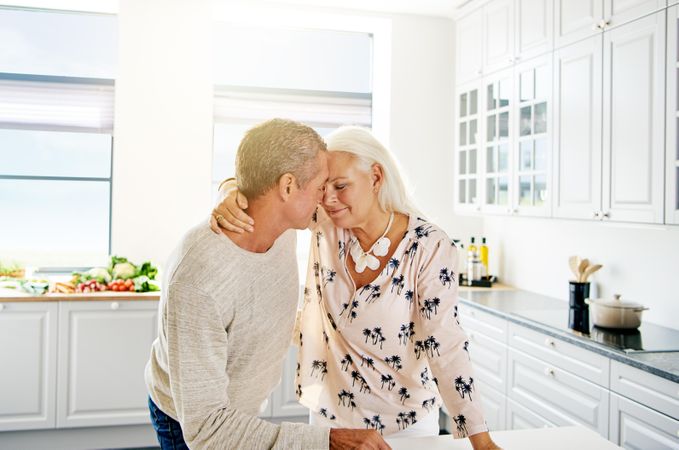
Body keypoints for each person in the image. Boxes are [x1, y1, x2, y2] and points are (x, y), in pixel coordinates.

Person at [212, 126, 500, 450]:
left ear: (376, 177)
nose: (329, 198)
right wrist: (229, 193)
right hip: (330, 424)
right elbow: (269, 187)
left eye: (341, 185)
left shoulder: (429, 247)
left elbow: (445, 344)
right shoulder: (326, 223)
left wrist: (481, 441)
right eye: (323, 187)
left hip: (405, 427)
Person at [145, 119, 390, 450]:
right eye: (321, 186)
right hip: (191, 423)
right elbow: (206, 429)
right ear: (288, 187)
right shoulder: (198, 279)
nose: (326, 198)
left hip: (239, 412)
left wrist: (229, 187)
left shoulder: (284, 219)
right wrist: (328, 442)